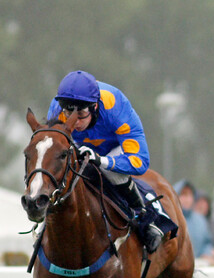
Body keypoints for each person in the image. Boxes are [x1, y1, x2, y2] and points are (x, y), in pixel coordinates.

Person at [47, 70, 164, 252]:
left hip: (114, 149)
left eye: (81, 113)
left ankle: (144, 220)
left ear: (94, 106)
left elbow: (140, 162)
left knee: (112, 173)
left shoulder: (115, 105)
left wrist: (102, 161)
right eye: (68, 111)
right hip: (78, 145)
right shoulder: (56, 108)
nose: (74, 120)